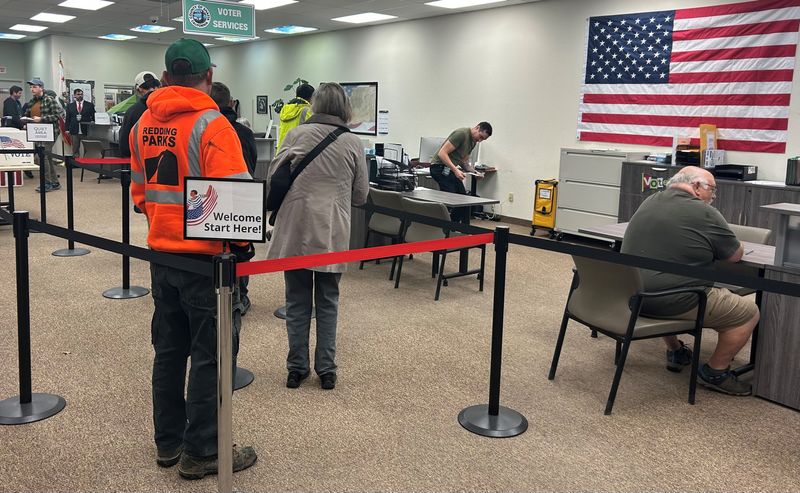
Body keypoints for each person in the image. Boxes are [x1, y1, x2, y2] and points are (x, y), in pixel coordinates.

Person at [129, 38, 257, 480]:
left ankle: (168, 444)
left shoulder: (141, 124)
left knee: (168, 351)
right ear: (209, 75)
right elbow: (237, 203)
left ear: (165, 78)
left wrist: (165, 222)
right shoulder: (213, 124)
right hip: (207, 264)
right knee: (211, 356)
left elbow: (141, 194)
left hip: (160, 254)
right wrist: (242, 250)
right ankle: (202, 451)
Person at [620, 166, 759, 396]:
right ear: (696, 187)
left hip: (633, 295)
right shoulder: (703, 212)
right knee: (749, 313)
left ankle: (676, 351)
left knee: (663, 276)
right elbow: (734, 255)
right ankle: (716, 371)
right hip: (675, 299)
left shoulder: (651, 200)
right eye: (712, 191)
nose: (713, 198)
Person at [267, 82, 368, 390]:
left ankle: (296, 368)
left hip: (295, 228)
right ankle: (326, 369)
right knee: (328, 301)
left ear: (315, 105)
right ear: (344, 109)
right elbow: (361, 195)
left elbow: (274, 179)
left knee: (296, 301)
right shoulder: (352, 143)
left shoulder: (296, 134)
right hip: (331, 233)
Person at [210, 81, 257, 315]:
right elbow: (252, 165)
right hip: (243, 196)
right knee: (242, 249)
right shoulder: (245, 133)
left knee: (216, 246)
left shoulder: (205, 131)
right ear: (231, 103)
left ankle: (221, 292)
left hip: (211, 201)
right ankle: (242, 295)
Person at [429, 122, 492, 222]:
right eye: (480, 136)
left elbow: (464, 162)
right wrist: (456, 170)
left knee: (464, 201)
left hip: (449, 170)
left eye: (483, 139)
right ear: (477, 128)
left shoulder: (473, 142)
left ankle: (461, 230)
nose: (479, 140)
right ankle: (447, 226)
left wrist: (475, 172)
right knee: (453, 199)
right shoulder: (461, 134)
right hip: (438, 168)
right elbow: (442, 153)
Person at [24, 78, 61, 193]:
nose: (32, 89)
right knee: (47, 157)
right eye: (31, 87)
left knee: (43, 157)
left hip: (49, 132)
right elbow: (27, 114)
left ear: (41, 88)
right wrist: (26, 121)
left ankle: (47, 183)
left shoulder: (49, 100)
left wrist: (42, 119)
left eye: (34, 87)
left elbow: (56, 116)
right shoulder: (32, 101)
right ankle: (55, 182)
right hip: (36, 132)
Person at [119, 70, 161, 157]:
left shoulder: (132, 111)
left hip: (141, 163)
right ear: (159, 86)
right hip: (169, 164)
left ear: (139, 89)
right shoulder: (172, 106)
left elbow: (124, 147)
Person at [3, 85, 33, 178]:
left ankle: (26, 169)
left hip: (18, 128)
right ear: (14, 92)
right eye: (19, 93)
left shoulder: (18, 102)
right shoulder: (8, 102)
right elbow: (13, 116)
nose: (20, 95)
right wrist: (22, 124)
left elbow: (20, 114)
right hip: (11, 128)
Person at [277, 82, 314, 150]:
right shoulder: (307, 111)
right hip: (297, 152)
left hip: (281, 150)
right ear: (311, 97)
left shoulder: (285, 109)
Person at [65, 88, 95, 158]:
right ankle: (76, 163)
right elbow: (68, 118)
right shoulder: (70, 106)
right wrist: (67, 129)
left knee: (87, 148)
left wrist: (94, 122)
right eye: (78, 94)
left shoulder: (89, 105)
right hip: (74, 130)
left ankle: (86, 163)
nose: (80, 96)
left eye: (81, 94)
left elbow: (94, 116)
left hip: (86, 130)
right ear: (74, 95)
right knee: (75, 149)